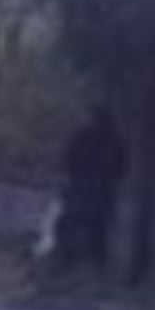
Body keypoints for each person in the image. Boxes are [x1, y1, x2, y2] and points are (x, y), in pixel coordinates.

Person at [50, 102, 127, 280]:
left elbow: (68, 159)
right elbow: (121, 167)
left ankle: (83, 261)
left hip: (90, 188)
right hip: (90, 188)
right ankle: (73, 259)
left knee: (88, 225)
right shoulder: (95, 138)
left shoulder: (92, 138)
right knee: (79, 224)